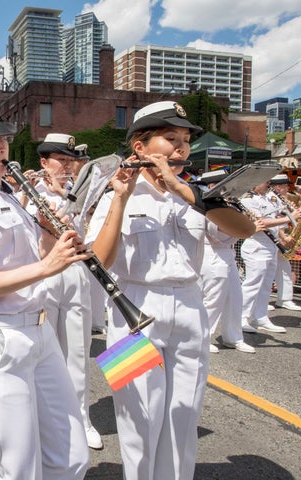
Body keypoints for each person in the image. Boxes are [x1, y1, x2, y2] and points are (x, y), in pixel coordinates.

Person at [86, 101, 254, 480]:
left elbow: (245, 230)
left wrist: (182, 189)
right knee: (137, 418)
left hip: (190, 307)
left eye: (185, 140)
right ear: (140, 148)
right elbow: (99, 260)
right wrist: (120, 199)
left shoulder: (196, 194)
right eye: (170, 138)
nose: (181, 148)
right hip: (131, 310)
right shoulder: (116, 192)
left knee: (183, 416)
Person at [0, 101, 90, 479]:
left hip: (38, 329)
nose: (3, 148)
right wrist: (48, 265)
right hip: (0, 335)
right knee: (18, 467)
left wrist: (48, 234)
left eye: (5, 140)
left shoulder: (7, 193)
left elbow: (32, 263)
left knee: (72, 453)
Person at [33, 134, 104, 450]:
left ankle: (81, 418)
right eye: (61, 160)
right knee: (44, 353)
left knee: (77, 350)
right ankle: (44, 418)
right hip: (44, 273)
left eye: (72, 160)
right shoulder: (27, 194)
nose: (68, 166)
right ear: (44, 163)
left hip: (76, 272)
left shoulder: (84, 194)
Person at [195, 170, 255, 354]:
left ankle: (233, 337)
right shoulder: (207, 205)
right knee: (213, 299)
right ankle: (204, 337)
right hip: (213, 254)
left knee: (234, 299)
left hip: (227, 255)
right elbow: (217, 235)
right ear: (212, 186)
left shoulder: (229, 205)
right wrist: (243, 228)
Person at [240, 175, 295, 335]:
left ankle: (260, 317)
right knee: (252, 285)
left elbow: (277, 219)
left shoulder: (270, 198)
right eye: (266, 181)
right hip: (257, 245)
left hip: (271, 244)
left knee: (266, 285)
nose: (269, 184)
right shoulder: (248, 199)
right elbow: (262, 222)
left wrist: (287, 214)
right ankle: (242, 317)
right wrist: (289, 217)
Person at [269, 174, 301, 311]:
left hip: (279, 239)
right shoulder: (269, 199)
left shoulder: (282, 199)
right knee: (266, 272)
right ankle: (261, 302)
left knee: (285, 269)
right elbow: (273, 220)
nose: (287, 188)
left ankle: (285, 298)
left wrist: (293, 210)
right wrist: (284, 236)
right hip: (270, 238)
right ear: (278, 186)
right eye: (285, 186)